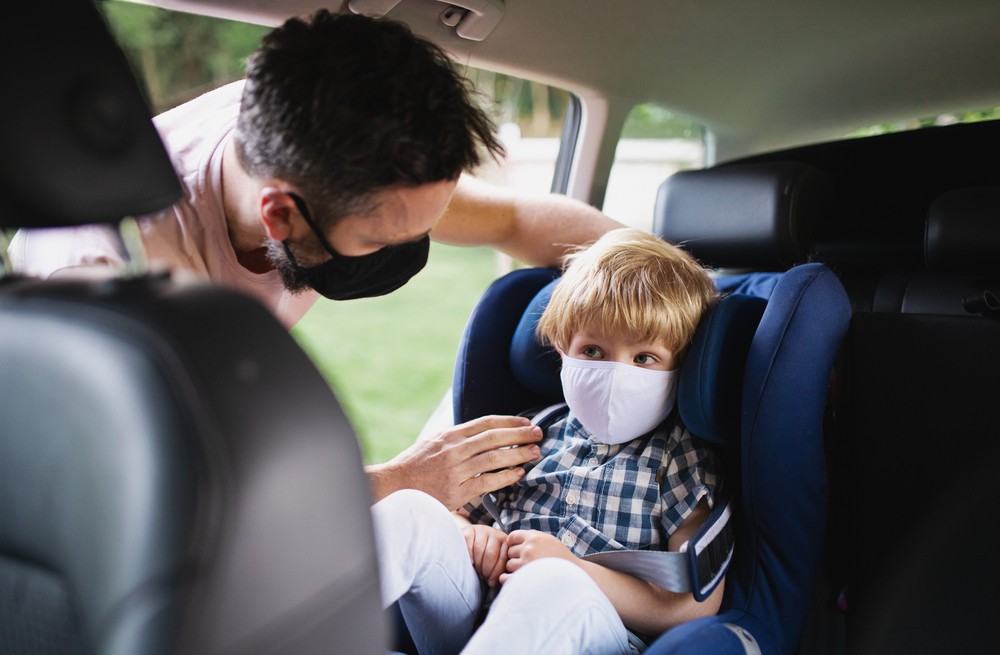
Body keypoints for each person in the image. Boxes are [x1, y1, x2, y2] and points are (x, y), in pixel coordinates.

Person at [8, 10, 622, 510]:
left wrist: (688, 288)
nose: (409, 251)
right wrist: (402, 480)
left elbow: (517, 221)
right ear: (280, 216)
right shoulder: (101, 269)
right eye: (382, 242)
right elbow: (161, 489)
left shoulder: (334, 146)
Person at [373, 227, 723, 654]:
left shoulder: (679, 459)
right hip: (480, 614)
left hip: (590, 629)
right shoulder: (527, 431)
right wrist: (468, 534)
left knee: (550, 581)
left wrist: (571, 567)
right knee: (412, 510)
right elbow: (456, 511)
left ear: (679, 366)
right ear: (561, 349)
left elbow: (695, 605)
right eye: (593, 351)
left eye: (644, 358)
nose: (616, 375)